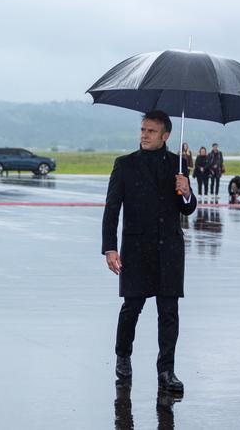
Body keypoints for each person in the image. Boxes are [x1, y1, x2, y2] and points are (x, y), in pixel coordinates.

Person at [102, 110, 197, 393]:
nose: (144, 135)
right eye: (143, 130)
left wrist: (187, 191)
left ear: (165, 135)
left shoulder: (177, 166)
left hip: (169, 249)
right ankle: (123, 356)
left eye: (151, 131)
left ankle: (166, 371)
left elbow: (187, 209)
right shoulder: (125, 164)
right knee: (132, 307)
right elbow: (112, 209)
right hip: (136, 248)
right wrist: (110, 248)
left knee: (169, 312)